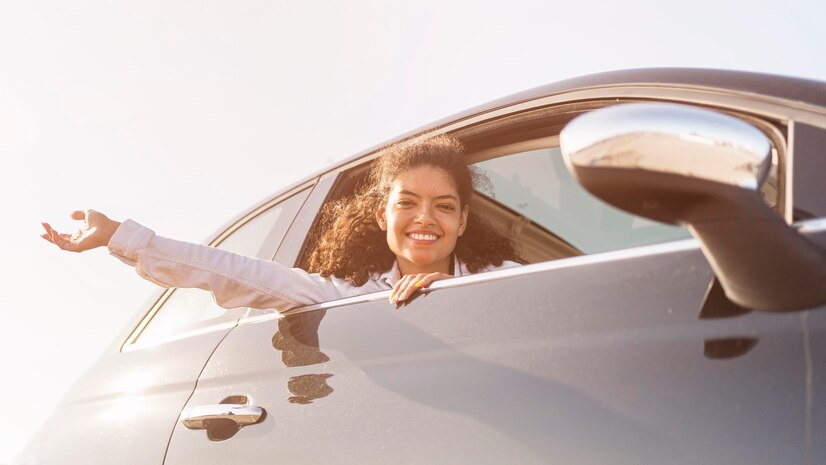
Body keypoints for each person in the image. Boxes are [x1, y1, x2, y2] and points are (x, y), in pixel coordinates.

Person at [41, 134, 519, 309]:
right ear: (381, 216)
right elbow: (239, 273)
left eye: (444, 206)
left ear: (462, 222)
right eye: (407, 202)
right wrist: (120, 236)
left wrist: (454, 296)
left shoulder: (511, 285)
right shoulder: (347, 299)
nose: (424, 218)